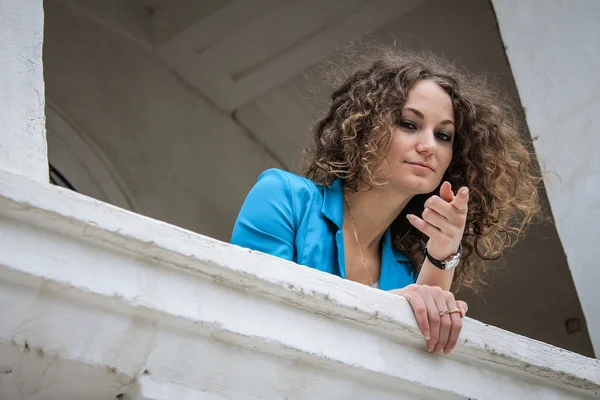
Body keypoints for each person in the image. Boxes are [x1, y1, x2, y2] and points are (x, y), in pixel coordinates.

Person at [231, 48, 541, 355]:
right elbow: (257, 317)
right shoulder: (284, 196)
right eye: (409, 124)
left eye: (444, 136)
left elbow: (411, 369)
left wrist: (443, 254)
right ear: (365, 127)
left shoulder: (406, 270)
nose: (429, 146)